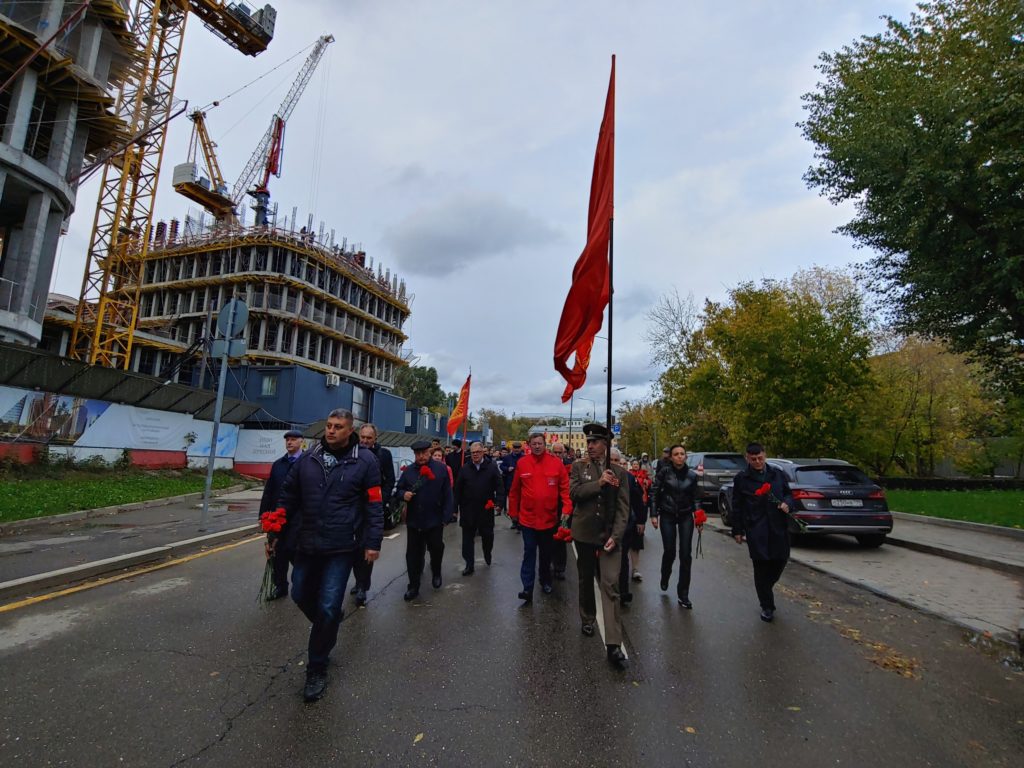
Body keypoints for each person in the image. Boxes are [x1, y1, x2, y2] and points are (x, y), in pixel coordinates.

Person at [277, 408, 383, 702]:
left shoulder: (366, 461)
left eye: (338, 427)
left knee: (327, 604)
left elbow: (374, 504)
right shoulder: (308, 459)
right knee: (299, 593)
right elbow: (288, 495)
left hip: (341, 545)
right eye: (328, 425)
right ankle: (329, 622)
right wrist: (276, 526)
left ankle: (317, 667)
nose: (331, 430)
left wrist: (372, 542)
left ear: (350, 431)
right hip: (307, 542)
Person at [569, 423, 630, 669]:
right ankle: (587, 617)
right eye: (588, 442)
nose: (590, 446)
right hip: (584, 533)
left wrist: (616, 535)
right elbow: (575, 493)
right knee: (585, 578)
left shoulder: (619, 472)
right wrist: (599, 484)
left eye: (595, 442)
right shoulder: (578, 467)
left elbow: (624, 507)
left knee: (610, 584)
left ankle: (614, 644)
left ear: (606, 445)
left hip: (609, 537)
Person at [730, 442, 794, 622]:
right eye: (753, 459)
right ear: (747, 458)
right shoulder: (742, 479)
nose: (757, 462)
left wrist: (788, 504)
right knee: (761, 567)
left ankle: (766, 587)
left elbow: (789, 494)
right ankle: (767, 606)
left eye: (760, 458)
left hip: (778, 526)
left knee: (780, 560)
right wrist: (738, 530)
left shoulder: (777, 474)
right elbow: (737, 506)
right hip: (756, 527)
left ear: (765, 455)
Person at [508, 433, 571, 602]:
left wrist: (566, 508)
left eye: (540, 443)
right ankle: (527, 588)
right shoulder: (522, 463)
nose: (537, 446)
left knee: (545, 554)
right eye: (534, 443)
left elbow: (565, 490)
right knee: (529, 552)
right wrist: (513, 513)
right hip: (528, 519)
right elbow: (514, 491)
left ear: (545, 444)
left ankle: (545, 581)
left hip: (549, 519)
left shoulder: (556, 464)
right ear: (529, 445)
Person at [397, 439, 454, 600]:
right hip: (415, 521)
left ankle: (436, 571)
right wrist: (403, 495)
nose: (421, 456)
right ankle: (413, 586)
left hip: (435, 519)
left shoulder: (441, 469)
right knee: (413, 555)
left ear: (429, 452)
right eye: (418, 454)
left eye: (424, 453)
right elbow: (399, 489)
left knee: (436, 549)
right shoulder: (408, 471)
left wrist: (446, 516)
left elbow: (448, 495)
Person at [348, 423, 395, 607]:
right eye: (363, 437)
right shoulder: (353, 453)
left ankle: (362, 586)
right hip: (353, 508)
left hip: (372, 507)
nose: (365, 441)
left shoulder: (384, 455)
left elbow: (390, 479)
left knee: (367, 547)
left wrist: (381, 499)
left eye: (369, 438)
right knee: (352, 549)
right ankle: (358, 579)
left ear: (375, 439)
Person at [650, 444, 699, 609]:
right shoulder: (664, 473)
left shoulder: (692, 476)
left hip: (686, 515)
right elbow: (654, 492)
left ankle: (683, 593)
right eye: (676, 454)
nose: (679, 456)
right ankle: (665, 575)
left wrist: (698, 517)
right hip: (668, 514)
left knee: (686, 554)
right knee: (669, 551)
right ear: (671, 457)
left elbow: (696, 498)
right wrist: (653, 514)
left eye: (682, 454)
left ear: (685, 456)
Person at [258, 429, 304, 600]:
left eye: (293, 440)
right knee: (277, 553)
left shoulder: (307, 462)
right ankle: (280, 586)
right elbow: (269, 492)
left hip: (298, 519)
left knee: (295, 553)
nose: (289, 443)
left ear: (301, 442)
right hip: (277, 518)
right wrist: (263, 516)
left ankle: (303, 585)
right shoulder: (278, 464)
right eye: (287, 440)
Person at [454, 441, 503, 574]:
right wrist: (454, 509)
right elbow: (457, 490)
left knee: (488, 536)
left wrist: (499, 502)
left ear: (483, 452)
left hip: (485, 509)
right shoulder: (465, 468)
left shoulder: (491, 467)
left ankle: (487, 553)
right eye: (473, 452)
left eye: (478, 452)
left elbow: (499, 486)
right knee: (467, 539)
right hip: (468, 509)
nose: (475, 455)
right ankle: (469, 564)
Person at [617, 451, 648, 604]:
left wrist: (641, 521)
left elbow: (638, 500)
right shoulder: (602, 476)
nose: (617, 464)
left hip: (625, 524)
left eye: (619, 461)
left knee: (622, 558)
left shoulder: (629, 478)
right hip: (606, 526)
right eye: (613, 460)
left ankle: (623, 592)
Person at [549, 442, 574, 579]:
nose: (558, 455)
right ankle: (549, 562)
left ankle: (560, 567)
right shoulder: (547, 463)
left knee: (561, 536)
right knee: (548, 536)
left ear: (565, 453)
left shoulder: (570, 465)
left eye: (560, 452)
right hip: (549, 505)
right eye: (556, 452)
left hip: (564, 505)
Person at [627, 459, 651, 582]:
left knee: (636, 541)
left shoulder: (641, 475)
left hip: (637, 508)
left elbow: (643, 490)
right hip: (620, 515)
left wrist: (641, 520)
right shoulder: (627, 475)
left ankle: (635, 569)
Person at [502, 441, 524, 530]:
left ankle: (520, 521)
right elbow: (501, 466)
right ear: (512, 448)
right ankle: (514, 521)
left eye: (518, 448)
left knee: (521, 503)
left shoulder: (524, 457)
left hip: (522, 484)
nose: (517, 449)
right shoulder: (507, 457)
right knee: (512, 503)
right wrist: (507, 469)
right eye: (515, 448)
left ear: (521, 448)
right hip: (510, 483)